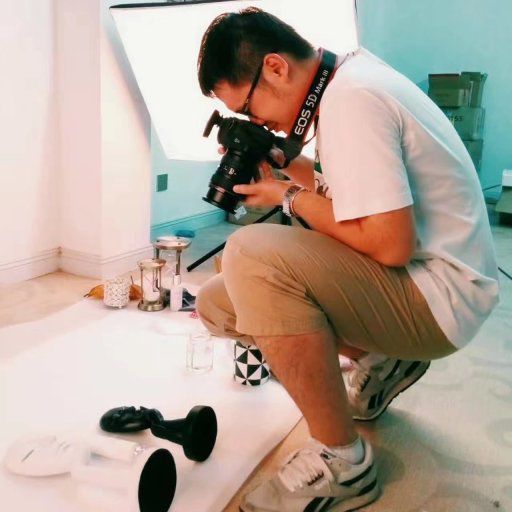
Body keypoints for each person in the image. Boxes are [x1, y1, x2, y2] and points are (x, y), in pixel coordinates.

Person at [195, 7, 500, 512]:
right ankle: (383, 359)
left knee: (250, 254)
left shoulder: (352, 100)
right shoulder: (348, 81)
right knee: (217, 302)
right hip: (421, 280)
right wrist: (284, 162)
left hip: (439, 295)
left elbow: (388, 242)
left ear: (275, 67)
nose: (256, 122)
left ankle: (341, 461)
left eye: (250, 109)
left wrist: (286, 197)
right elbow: (348, 197)